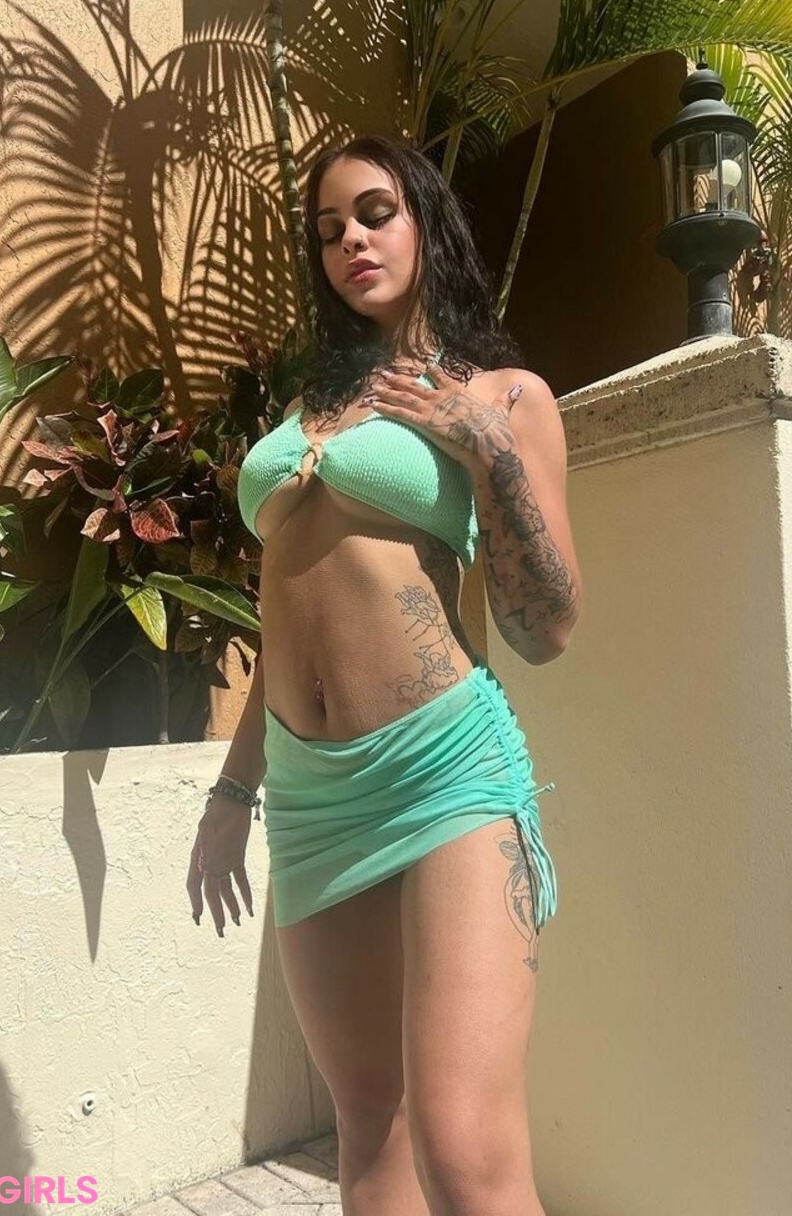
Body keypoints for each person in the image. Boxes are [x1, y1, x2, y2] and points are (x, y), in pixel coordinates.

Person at [186, 134, 582, 1216]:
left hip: (443, 773)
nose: (351, 241)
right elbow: (289, 619)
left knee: (464, 1151)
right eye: (329, 231)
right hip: (309, 797)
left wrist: (486, 450)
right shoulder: (307, 411)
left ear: (426, 223)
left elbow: (549, 626)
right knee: (371, 1129)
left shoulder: (503, 394)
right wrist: (233, 791)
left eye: (374, 213)